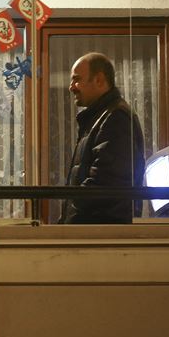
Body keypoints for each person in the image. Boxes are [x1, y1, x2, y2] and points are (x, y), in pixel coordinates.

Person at [59, 52, 145, 224]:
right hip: (94, 233)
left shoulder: (116, 118)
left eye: (76, 79)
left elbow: (106, 183)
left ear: (99, 80)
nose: (71, 87)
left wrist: (71, 219)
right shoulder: (101, 118)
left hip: (99, 236)